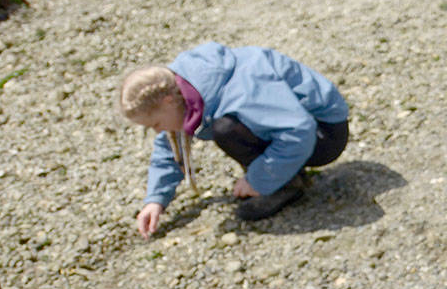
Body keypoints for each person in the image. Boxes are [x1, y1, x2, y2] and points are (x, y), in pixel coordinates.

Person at [119, 42, 350, 236]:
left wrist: (257, 180)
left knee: (226, 129)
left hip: (325, 133)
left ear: (168, 101)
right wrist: (155, 201)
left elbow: (299, 129)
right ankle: (283, 172)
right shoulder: (183, 89)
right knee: (227, 127)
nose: (158, 131)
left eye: (156, 124)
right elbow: (170, 144)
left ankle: (283, 186)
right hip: (299, 128)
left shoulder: (240, 91)